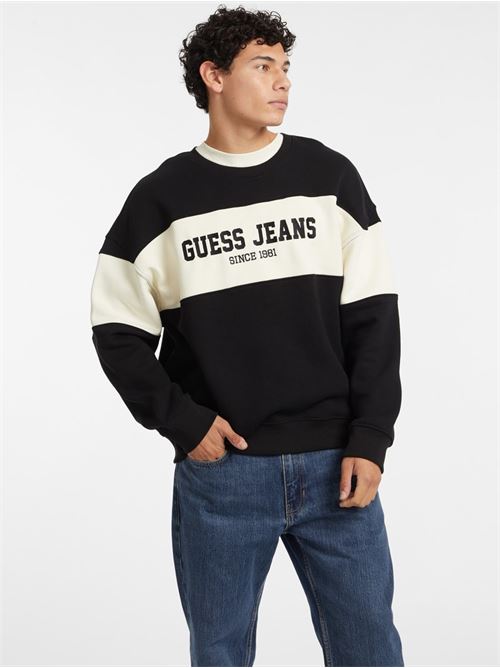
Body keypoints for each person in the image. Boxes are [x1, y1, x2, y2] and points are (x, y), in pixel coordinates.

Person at [90, 4, 405, 666]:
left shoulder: (329, 179)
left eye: (285, 67)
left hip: (336, 467)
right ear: (214, 76)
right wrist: (183, 422)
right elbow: (116, 328)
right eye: (262, 66)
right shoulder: (161, 199)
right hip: (223, 477)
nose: (282, 81)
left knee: (369, 650)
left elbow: (373, 318)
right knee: (220, 655)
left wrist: (371, 437)